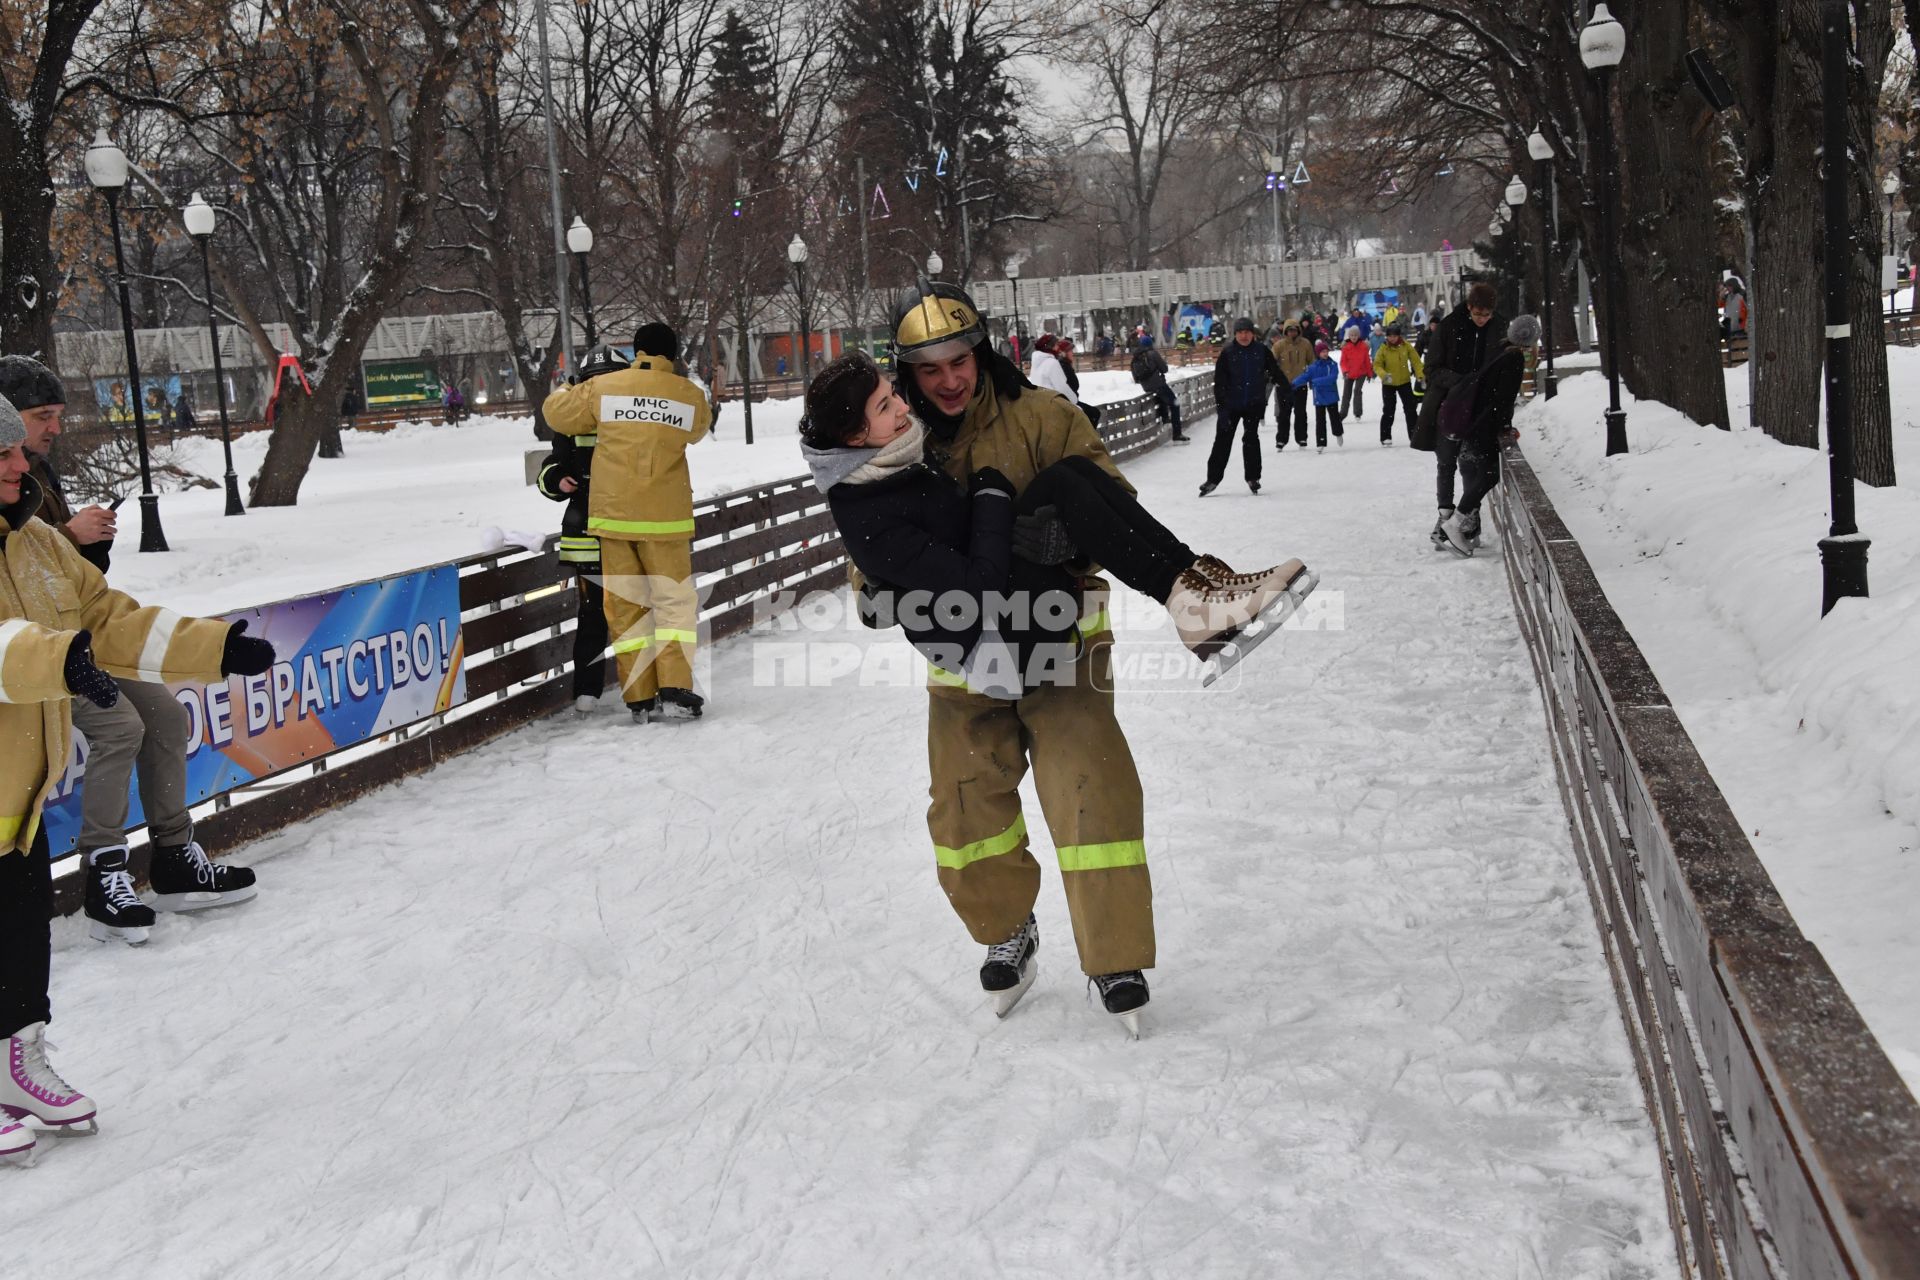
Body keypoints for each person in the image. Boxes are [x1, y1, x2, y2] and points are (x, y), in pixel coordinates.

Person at [873, 280, 1162, 1030]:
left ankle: (1115, 954)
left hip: (1064, 649)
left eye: (958, 360)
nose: (948, 380)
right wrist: (883, 587)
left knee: (1091, 796)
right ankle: (1008, 928)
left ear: (981, 352)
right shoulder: (900, 445)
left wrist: (1067, 540)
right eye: (928, 369)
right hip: (963, 668)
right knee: (966, 814)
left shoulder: (1044, 416)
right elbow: (869, 542)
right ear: (907, 375)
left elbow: (1113, 501)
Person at [0, 392, 276, 1159]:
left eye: (17, 451)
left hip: (13, 801)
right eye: (3, 456)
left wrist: (213, 651)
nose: (23, 462)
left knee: (19, 946)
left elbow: (110, 619)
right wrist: (57, 658)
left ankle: (15, 1065)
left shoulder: (36, 544)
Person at [801, 350, 1308, 688]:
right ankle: (1188, 599)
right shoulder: (869, 512)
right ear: (852, 437)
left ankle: (1197, 581)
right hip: (995, 643)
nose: (904, 410)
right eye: (887, 404)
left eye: (894, 394)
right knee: (1064, 484)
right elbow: (975, 585)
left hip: (1002, 616)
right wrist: (992, 494)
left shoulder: (888, 460)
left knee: (1071, 474)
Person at [0, 357, 264, 945]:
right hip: (34, 681)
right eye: (42, 417)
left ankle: (172, 855)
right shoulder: (23, 490)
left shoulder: (34, 488)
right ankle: (104, 868)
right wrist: (69, 543)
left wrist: (217, 647)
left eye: (58, 417)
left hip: (71, 656)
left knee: (164, 712)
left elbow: (93, 606)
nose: (52, 431)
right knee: (121, 725)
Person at [542, 322, 712, 723]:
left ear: (636, 350)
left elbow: (556, 414)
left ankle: (639, 696)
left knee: (625, 606)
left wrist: (569, 387)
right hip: (665, 519)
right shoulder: (688, 395)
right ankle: (676, 685)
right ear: (672, 354)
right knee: (672, 603)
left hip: (613, 517)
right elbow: (699, 429)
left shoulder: (605, 388)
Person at [535, 345, 622, 717]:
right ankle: (587, 691)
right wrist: (557, 479)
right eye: (592, 383)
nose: (599, 391)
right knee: (593, 616)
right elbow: (548, 471)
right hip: (588, 537)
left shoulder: (633, 417)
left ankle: (644, 686)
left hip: (629, 533)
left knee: (636, 610)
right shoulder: (571, 423)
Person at [1437, 315, 1539, 556]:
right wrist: (1504, 426)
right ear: (1529, 339)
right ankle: (1454, 524)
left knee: (1474, 472)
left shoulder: (1500, 349)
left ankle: (1452, 531)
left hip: (1472, 420)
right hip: (1484, 424)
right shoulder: (1514, 357)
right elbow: (1502, 399)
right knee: (1490, 472)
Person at [1418, 282, 1509, 548]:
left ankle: (1468, 519)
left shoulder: (1498, 328)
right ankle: (1444, 515)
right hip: (1449, 405)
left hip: (1481, 411)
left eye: (1487, 315)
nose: (1482, 320)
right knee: (1446, 461)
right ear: (1468, 307)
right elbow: (1432, 369)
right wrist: (1461, 381)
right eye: (1477, 314)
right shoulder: (1449, 328)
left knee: (1473, 464)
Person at [1203, 317, 1283, 497]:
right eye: (1240, 333)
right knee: (1222, 442)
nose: (1244, 336)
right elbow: (1220, 383)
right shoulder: (1228, 353)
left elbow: (1275, 372)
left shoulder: (1261, 351)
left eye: (1246, 332)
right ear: (1235, 335)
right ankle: (1213, 479)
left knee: (1251, 440)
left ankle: (1253, 477)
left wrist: (1286, 389)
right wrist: (1221, 408)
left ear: (1252, 334)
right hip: (1231, 406)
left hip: (1253, 404)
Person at [1372, 324, 1424, 446]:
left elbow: (1416, 361)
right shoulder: (1383, 348)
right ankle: (1385, 436)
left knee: (1411, 409)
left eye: (1394, 336)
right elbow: (1377, 364)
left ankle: (1414, 435)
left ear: (1399, 336)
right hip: (1388, 383)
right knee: (1389, 409)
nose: (1392, 338)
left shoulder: (1406, 346)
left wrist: (1420, 375)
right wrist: (1384, 375)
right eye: (1390, 336)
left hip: (1404, 381)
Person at [1129, 335, 1187, 442]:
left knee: (1162, 399)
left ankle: (1165, 420)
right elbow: (1164, 369)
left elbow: (1136, 378)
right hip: (1158, 384)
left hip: (1146, 387)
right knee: (1175, 404)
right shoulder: (1152, 354)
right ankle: (1177, 434)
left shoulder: (1135, 357)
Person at [1269, 319, 1315, 450]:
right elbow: (1271, 362)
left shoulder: (1305, 344)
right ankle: (1281, 440)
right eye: (1289, 330)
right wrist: (1274, 376)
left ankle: (1302, 438)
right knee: (1283, 414)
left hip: (1300, 385)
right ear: (1285, 331)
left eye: (1294, 330)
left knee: (1300, 413)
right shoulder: (1279, 345)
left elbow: (1311, 362)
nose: (1292, 333)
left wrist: (1312, 379)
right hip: (1284, 386)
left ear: (1298, 331)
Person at [1291, 339, 1344, 451]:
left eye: (1326, 351)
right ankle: (1320, 442)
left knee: (1335, 418)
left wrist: (1316, 382)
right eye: (1322, 352)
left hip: (1331, 396)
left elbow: (1332, 378)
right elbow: (1304, 377)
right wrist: (1294, 383)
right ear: (1318, 353)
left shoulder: (1332, 364)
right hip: (1319, 397)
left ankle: (1338, 433)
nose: (1325, 353)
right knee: (1320, 420)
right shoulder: (1313, 367)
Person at [1054, 338, 1102, 430]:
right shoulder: (1063, 367)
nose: (1072, 353)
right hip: (1068, 403)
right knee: (1093, 414)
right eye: (1070, 351)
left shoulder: (1064, 365)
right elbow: (1065, 387)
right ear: (1063, 353)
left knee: (1093, 414)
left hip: (1071, 401)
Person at [1338, 326, 1373, 422]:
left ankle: (1358, 413)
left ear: (1358, 336)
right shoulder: (1346, 347)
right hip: (1349, 373)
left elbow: (1367, 361)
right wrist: (1345, 371)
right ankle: (1342, 413)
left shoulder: (1363, 346)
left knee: (1357, 391)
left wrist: (1369, 373)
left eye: (1356, 335)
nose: (1354, 337)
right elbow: (1343, 362)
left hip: (1361, 373)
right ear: (1349, 336)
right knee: (1346, 394)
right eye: (1352, 335)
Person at [1028, 333, 1074, 399]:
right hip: (1052, 403)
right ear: (1051, 346)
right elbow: (1062, 388)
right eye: (1056, 345)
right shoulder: (1052, 363)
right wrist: (1074, 401)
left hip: (1040, 401)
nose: (1058, 347)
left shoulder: (1037, 362)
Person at [1720, 275, 1748, 341]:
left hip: (1742, 328)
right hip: (1731, 329)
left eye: (1728, 286)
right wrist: (1721, 297)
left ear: (1733, 285)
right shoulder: (1727, 296)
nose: (1727, 288)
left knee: (1741, 347)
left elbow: (1749, 309)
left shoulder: (1743, 294)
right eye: (1726, 287)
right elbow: (1719, 305)